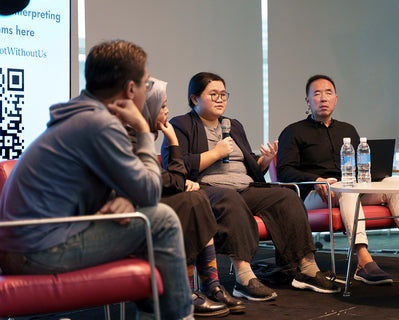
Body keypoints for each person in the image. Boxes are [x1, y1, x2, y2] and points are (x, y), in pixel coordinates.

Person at [0, 40, 193, 320]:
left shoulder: (79, 113)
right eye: (146, 84)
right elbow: (150, 192)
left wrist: (124, 198)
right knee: (161, 219)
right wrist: (141, 128)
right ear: (129, 90)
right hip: (37, 252)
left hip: (23, 245)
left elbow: (108, 181)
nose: (146, 91)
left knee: (147, 218)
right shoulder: (100, 124)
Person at [161, 71, 341, 302]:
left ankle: (306, 269)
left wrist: (264, 161)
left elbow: (249, 168)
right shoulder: (182, 124)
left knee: (286, 197)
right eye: (213, 94)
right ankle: (244, 278)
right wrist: (215, 153)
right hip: (208, 189)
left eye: (223, 94)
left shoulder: (233, 125)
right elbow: (177, 165)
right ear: (195, 99)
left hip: (245, 187)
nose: (220, 99)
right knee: (230, 199)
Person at [276, 74, 399, 285]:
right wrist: (316, 179)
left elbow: (362, 165)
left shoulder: (347, 130)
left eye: (328, 93)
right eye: (316, 94)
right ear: (307, 101)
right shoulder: (294, 131)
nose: (323, 98)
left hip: (347, 190)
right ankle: (362, 261)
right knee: (348, 191)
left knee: (393, 183)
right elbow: (284, 171)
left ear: (336, 98)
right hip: (315, 195)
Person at [128, 77, 244, 316]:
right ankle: (190, 289)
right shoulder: (132, 139)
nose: (167, 111)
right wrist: (173, 141)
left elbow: (167, 180)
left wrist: (181, 183)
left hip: (147, 203)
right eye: (162, 106)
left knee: (197, 198)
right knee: (194, 202)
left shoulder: (142, 138)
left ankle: (210, 285)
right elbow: (168, 180)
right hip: (135, 213)